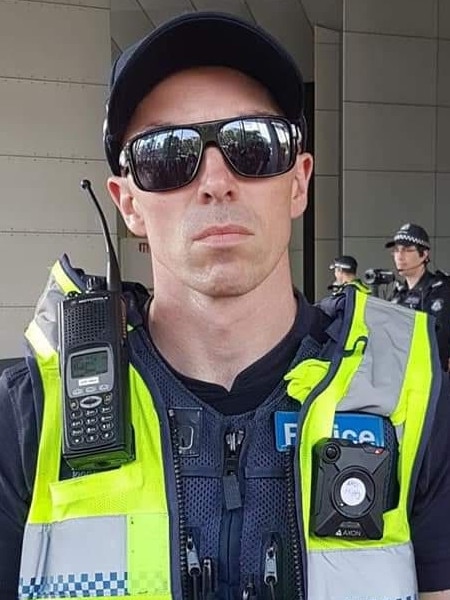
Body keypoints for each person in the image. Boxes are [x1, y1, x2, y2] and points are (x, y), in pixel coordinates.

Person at [0, 11, 450, 600]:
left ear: (298, 182)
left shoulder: (415, 403)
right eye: (167, 155)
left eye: (254, 145)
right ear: (127, 201)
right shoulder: (29, 419)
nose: (216, 180)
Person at [386, 222, 450, 371]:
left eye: (407, 250)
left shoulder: (444, 289)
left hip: (437, 379)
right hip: (403, 377)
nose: (400, 256)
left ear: (424, 254)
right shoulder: (397, 296)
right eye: (396, 250)